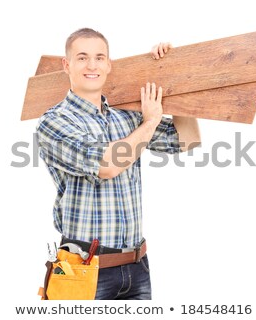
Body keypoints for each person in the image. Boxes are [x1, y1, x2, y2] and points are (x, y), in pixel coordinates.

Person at [36, 28, 201, 300]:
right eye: (82, 58)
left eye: (100, 57)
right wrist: (150, 122)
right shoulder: (54, 122)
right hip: (84, 269)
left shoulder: (126, 117)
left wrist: (174, 75)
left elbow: (187, 140)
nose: (92, 65)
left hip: (136, 268)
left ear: (109, 64)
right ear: (67, 65)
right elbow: (108, 164)